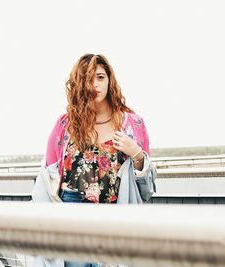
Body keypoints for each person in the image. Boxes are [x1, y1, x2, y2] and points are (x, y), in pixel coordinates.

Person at [31, 54, 157, 267]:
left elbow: (146, 190)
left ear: (110, 80)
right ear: (79, 84)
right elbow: (47, 181)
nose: (95, 84)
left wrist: (135, 153)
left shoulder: (132, 124)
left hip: (114, 222)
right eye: (88, 79)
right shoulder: (65, 125)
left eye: (100, 77)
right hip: (71, 220)